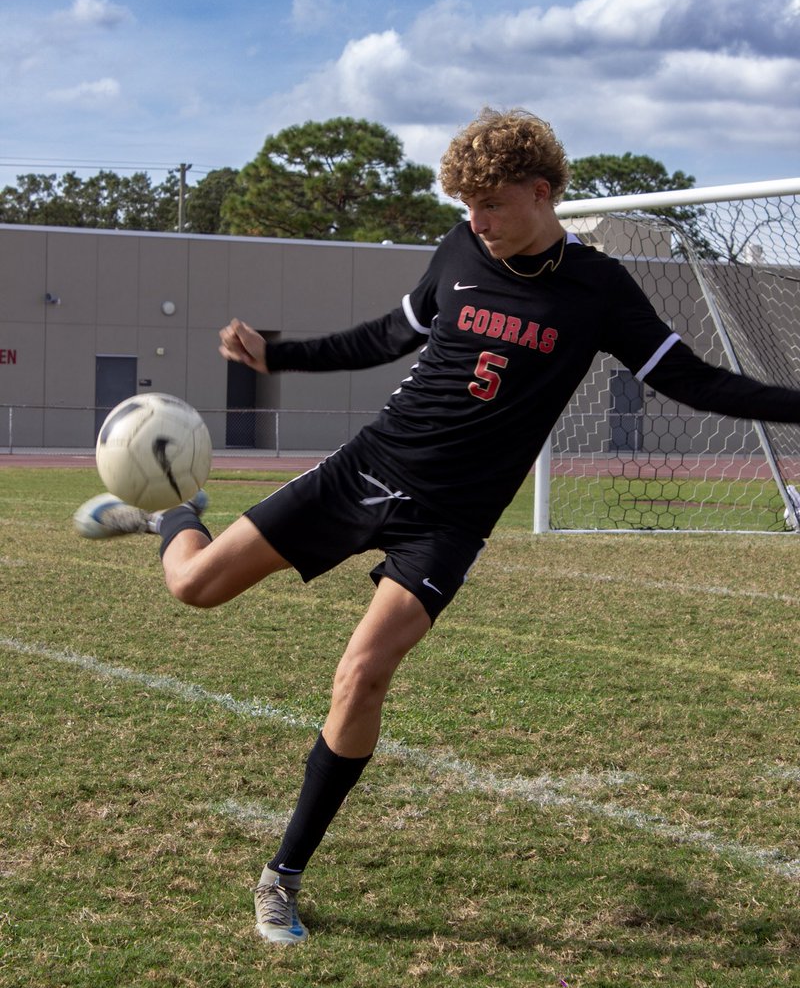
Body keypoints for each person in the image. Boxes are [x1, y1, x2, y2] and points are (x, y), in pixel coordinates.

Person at [76, 108, 800, 944]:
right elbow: (389, 334)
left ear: (542, 191)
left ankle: (281, 879)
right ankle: (173, 513)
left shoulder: (600, 292)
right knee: (192, 587)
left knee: (362, 675)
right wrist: (284, 357)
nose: (477, 223)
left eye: (490, 204)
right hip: (366, 469)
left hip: (450, 522)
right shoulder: (459, 252)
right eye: (466, 207)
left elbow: (703, 384)